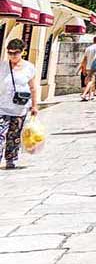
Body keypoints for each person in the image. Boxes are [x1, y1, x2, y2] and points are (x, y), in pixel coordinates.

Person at [1, 39, 39, 169]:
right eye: (9, 53)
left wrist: (34, 106)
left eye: (15, 53)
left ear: (22, 52)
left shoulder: (29, 67)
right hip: (2, 106)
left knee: (14, 134)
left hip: (20, 108)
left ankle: (10, 159)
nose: (12, 55)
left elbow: (33, 87)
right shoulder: (2, 66)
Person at [79, 35, 96, 101]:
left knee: (89, 81)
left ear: (93, 40)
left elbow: (85, 59)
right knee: (91, 81)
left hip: (88, 66)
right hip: (95, 67)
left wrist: (84, 68)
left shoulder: (88, 48)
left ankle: (90, 96)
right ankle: (84, 94)